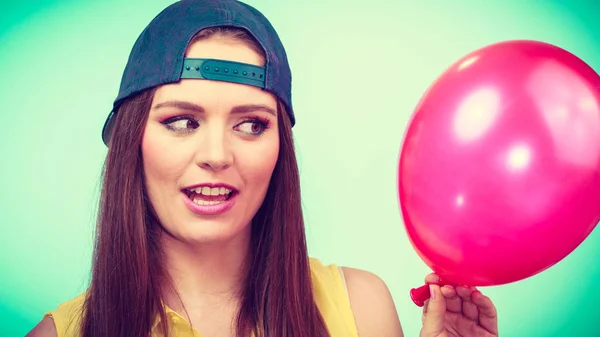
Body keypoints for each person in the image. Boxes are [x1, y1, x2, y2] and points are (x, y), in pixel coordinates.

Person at [26, 1, 499, 336]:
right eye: (182, 121)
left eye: (251, 124)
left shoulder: (363, 309)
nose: (217, 154)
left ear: (280, 150)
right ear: (133, 143)